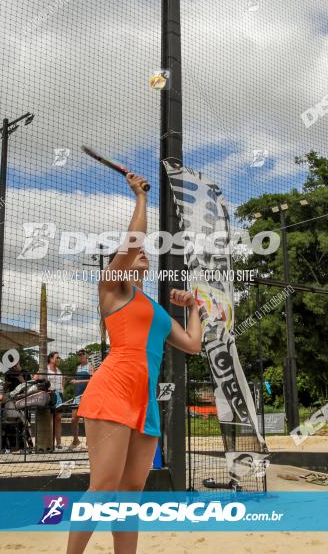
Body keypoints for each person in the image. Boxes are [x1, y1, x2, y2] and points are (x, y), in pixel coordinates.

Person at [66, 170, 201, 554]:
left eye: (145, 254)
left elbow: (192, 344)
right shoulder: (113, 289)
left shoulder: (156, 310)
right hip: (112, 393)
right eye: (134, 252)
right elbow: (134, 240)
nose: (142, 252)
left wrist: (193, 307)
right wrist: (140, 197)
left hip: (145, 406)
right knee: (103, 490)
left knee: (130, 498)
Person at [67, 350, 93, 451]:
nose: (80, 356)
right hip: (77, 396)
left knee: (87, 420)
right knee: (74, 419)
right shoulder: (78, 367)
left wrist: (78, 381)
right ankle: (76, 440)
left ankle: (88, 442)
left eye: (82, 355)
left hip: (86, 395)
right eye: (79, 355)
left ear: (86, 356)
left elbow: (92, 380)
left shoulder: (90, 366)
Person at [44, 351, 66, 450]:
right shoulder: (45, 369)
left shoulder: (59, 370)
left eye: (59, 358)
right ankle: (50, 443)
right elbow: (36, 378)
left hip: (59, 395)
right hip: (50, 394)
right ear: (51, 359)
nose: (58, 359)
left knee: (58, 419)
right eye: (57, 357)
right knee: (50, 419)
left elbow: (62, 382)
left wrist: (62, 390)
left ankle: (59, 443)